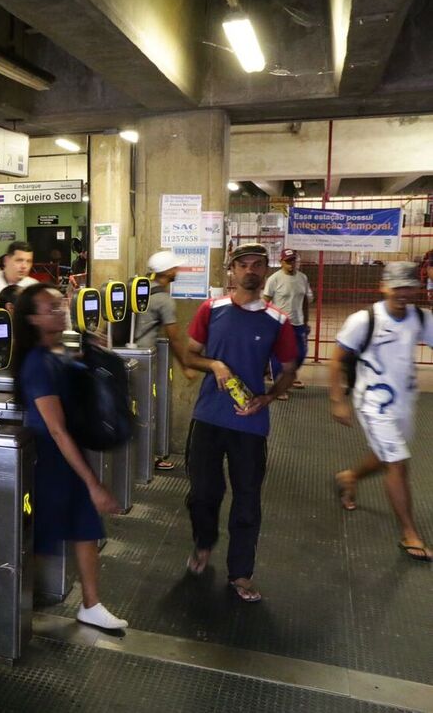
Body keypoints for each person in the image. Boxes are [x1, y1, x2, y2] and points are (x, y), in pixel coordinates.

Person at [181, 243, 297, 602]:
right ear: (230, 271)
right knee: (203, 494)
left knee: (247, 500)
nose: (250, 270)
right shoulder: (210, 309)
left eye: (257, 265)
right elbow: (189, 354)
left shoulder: (278, 321)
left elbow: (289, 371)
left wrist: (268, 396)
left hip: (249, 425)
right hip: (208, 417)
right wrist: (214, 364)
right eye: (243, 264)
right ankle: (203, 543)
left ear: (266, 271)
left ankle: (241, 573)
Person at [12, 283, 128, 631]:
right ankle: (10, 608)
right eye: (50, 308)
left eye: (60, 305)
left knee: (84, 529)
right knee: (39, 540)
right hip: (49, 462)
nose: (60, 310)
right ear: (33, 318)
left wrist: (91, 354)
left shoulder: (56, 352)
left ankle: (91, 604)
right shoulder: (36, 364)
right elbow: (57, 429)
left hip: (67, 458)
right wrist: (93, 483)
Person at [331, 262, 433, 561]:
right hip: (373, 403)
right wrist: (338, 399)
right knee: (398, 463)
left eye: (409, 287)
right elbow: (337, 359)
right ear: (383, 286)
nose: (403, 293)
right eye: (397, 286)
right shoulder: (364, 320)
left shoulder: (420, 319)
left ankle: (350, 477)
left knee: (385, 457)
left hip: (404, 402)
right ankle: (409, 533)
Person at [136, 250, 197, 469]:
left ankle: (135, 457)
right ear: (168, 271)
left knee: (133, 407)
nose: (177, 271)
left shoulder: (135, 287)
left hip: (125, 354)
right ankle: (146, 459)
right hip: (144, 361)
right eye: (175, 268)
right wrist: (186, 366)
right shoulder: (164, 300)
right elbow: (175, 338)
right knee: (146, 408)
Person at [263, 248, 313, 394]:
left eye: (293, 261)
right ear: (281, 262)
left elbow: (305, 300)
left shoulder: (302, 278)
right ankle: (279, 385)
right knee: (278, 355)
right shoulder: (274, 279)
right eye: (288, 261)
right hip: (279, 324)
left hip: (298, 323)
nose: (291, 264)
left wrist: (306, 321)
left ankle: (290, 376)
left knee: (301, 352)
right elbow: (266, 301)